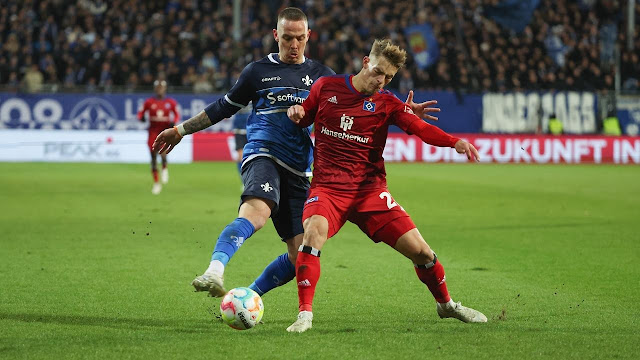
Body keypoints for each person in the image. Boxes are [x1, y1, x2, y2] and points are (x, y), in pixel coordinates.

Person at [153, 8, 439, 299]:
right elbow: (223, 107)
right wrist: (180, 130)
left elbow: (363, 95)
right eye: (287, 38)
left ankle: (246, 299)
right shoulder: (257, 72)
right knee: (257, 212)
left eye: (300, 38)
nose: (294, 45)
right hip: (263, 152)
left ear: (308, 37)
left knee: (300, 254)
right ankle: (214, 270)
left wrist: (404, 110)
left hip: (300, 167)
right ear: (276, 35)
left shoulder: (322, 76)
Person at [285, 39, 487, 333]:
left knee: (422, 253)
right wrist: (297, 113)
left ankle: (446, 305)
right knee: (312, 233)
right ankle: (305, 315)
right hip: (328, 189)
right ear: (366, 61)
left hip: (370, 192)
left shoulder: (389, 103)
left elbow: (420, 128)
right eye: (379, 71)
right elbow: (304, 113)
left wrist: (454, 141)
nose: (381, 80)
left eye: (389, 77)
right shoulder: (326, 87)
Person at [138, 79, 180, 195]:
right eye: (158, 88)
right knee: (153, 158)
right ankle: (156, 183)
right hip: (152, 132)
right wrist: (141, 118)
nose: (160, 90)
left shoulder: (170, 102)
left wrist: (174, 123)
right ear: (155, 89)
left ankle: (165, 168)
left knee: (163, 153)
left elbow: (177, 114)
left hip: (164, 131)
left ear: (165, 89)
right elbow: (140, 113)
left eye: (162, 88)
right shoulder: (149, 102)